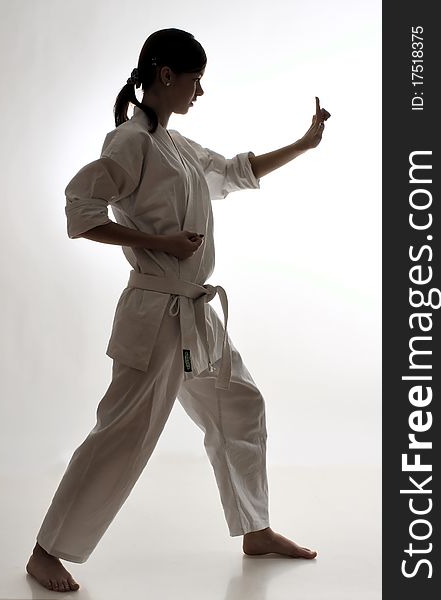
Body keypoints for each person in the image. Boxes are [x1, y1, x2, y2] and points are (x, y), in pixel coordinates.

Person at [26, 28, 330, 593]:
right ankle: (46, 551)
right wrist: (164, 245)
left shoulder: (178, 146)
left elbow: (237, 171)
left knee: (241, 406)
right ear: (166, 75)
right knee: (123, 433)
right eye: (195, 79)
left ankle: (255, 529)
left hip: (195, 313)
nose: (200, 91)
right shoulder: (129, 142)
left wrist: (303, 143)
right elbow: (79, 209)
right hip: (154, 313)